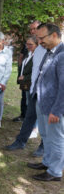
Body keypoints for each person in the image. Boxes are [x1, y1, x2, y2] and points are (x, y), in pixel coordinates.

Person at [26, 23, 64, 181]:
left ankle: (55, 172)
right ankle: (47, 162)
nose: (39, 41)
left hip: (54, 107)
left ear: (54, 35)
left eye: (42, 38)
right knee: (46, 136)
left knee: (56, 139)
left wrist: (57, 110)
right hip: (42, 101)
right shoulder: (50, 51)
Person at [13, 21, 41, 122]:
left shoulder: (42, 45)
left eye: (35, 28)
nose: (32, 31)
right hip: (25, 77)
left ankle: (34, 124)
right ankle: (24, 116)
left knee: (33, 102)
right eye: (31, 29)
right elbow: (22, 55)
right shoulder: (29, 43)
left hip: (34, 80)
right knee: (25, 98)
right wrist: (21, 69)